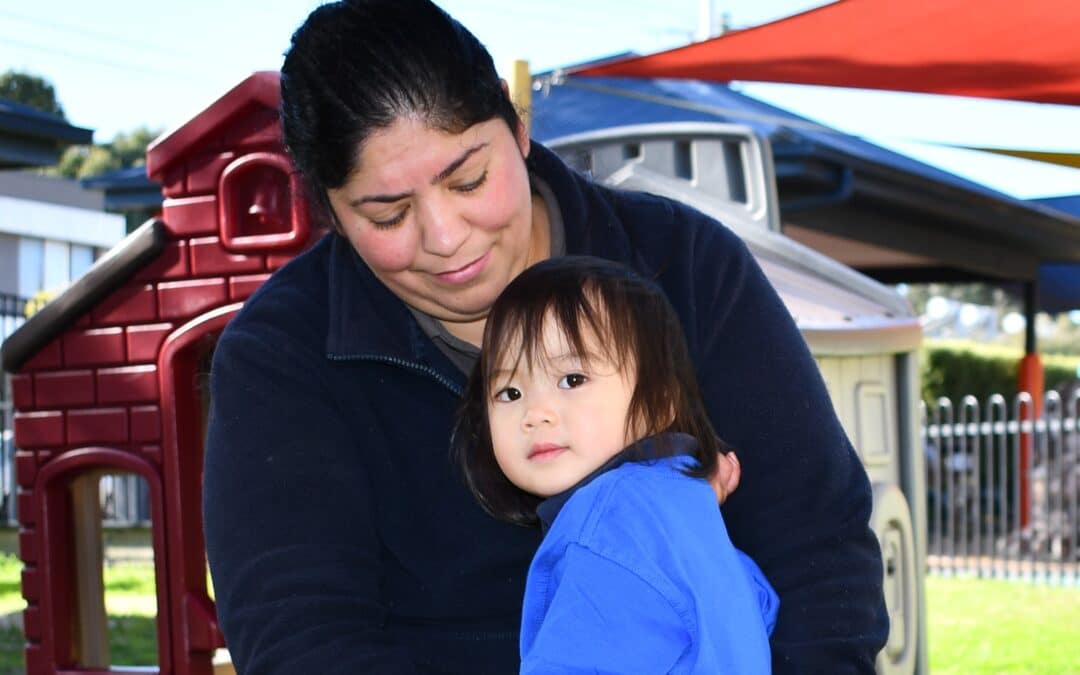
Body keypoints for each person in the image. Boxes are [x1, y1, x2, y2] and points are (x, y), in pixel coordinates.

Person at [202, 0, 888, 673]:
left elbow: (819, 550)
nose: (446, 237)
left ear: (518, 123)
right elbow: (300, 635)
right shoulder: (281, 355)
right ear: (329, 212)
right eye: (388, 214)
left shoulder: (684, 265)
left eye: (469, 178)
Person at [453, 255, 778, 673]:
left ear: (660, 401)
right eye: (510, 392)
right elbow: (760, 606)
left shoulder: (606, 524)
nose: (535, 413)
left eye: (572, 380)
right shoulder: (677, 511)